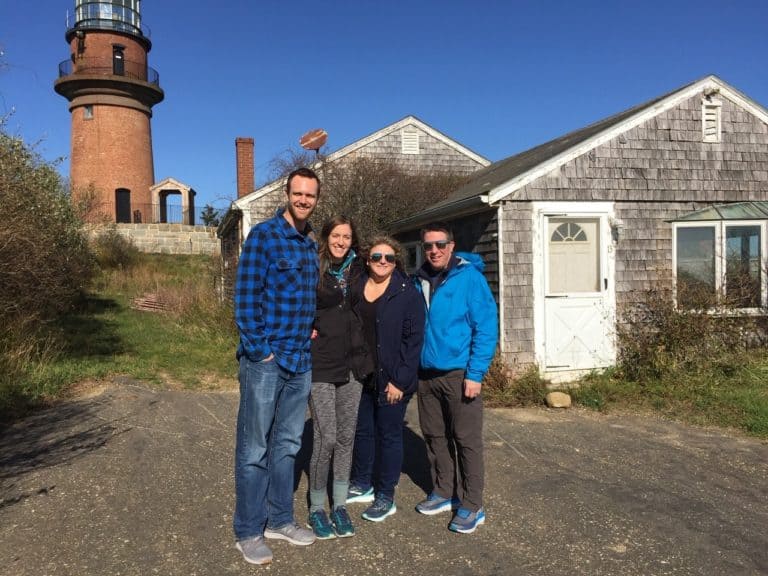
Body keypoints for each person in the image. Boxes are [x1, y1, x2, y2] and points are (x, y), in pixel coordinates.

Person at [232, 167, 321, 565]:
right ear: (287, 194)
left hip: (301, 360)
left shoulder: (308, 242)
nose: (304, 200)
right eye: (298, 194)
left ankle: (280, 520)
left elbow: (306, 298)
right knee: (254, 448)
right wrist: (259, 350)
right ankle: (249, 530)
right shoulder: (265, 236)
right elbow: (246, 298)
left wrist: (312, 328)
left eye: (311, 196)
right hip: (267, 361)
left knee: (287, 446)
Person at [413, 222, 498, 534]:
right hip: (426, 374)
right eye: (428, 246)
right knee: (435, 436)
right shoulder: (419, 279)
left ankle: (472, 504)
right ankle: (443, 491)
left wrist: (475, 373)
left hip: (459, 374)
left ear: (451, 245)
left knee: (466, 440)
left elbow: (486, 327)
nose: (434, 251)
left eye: (439, 244)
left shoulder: (470, 278)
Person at [347, 235, 425, 522]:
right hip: (362, 374)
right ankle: (362, 483)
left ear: (396, 262)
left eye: (389, 258)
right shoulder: (356, 288)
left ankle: (385, 495)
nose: (382, 262)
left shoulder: (408, 294)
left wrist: (400, 381)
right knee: (363, 431)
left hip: (392, 378)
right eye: (377, 257)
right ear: (367, 260)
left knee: (389, 435)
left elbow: (413, 341)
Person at [307, 216, 372, 539]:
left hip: (354, 366)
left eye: (347, 236)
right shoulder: (314, 268)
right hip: (321, 364)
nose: (341, 241)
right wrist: (305, 331)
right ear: (326, 237)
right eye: (336, 235)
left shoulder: (361, 269)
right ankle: (317, 507)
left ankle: (341, 504)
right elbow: (297, 305)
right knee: (326, 437)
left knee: (347, 437)